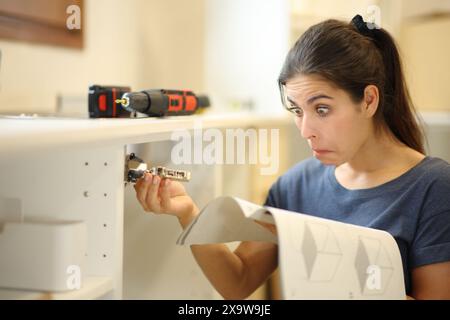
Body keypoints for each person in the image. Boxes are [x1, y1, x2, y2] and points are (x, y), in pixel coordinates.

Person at [134, 15, 450, 300]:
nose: (306, 130)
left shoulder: (433, 187)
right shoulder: (295, 186)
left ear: (368, 100)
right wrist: (188, 214)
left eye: (322, 109)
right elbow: (239, 280)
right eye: (297, 111)